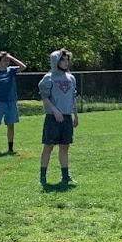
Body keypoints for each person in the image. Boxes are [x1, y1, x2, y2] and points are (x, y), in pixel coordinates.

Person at [38, 49, 79, 188]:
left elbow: (73, 98)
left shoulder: (71, 78)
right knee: (48, 146)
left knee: (65, 146)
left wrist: (75, 115)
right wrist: (55, 111)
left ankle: (65, 176)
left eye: (67, 60)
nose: (66, 62)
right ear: (55, 61)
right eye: (62, 59)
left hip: (66, 117)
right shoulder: (48, 78)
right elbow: (45, 97)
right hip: (52, 117)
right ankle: (43, 177)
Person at [0, 51, 26, 154]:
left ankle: (10, 148)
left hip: (11, 102)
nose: (7, 62)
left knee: (11, 125)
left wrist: (12, 58)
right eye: (4, 60)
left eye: (8, 60)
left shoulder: (11, 71)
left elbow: (23, 67)